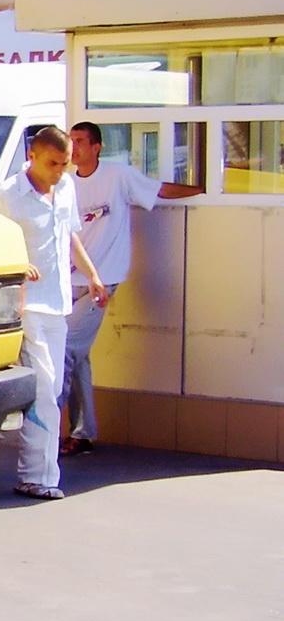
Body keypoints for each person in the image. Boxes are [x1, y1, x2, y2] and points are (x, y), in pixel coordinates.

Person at [58, 121, 203, 456]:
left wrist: (207, 190)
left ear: (97, 147)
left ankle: (45, 430)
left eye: (80, 141)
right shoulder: (64, 183)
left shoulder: (117, 175)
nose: (74, 147)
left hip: (102, 281)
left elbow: (159, 190)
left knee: (65, 349)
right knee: (78, 356)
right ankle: (83, 433)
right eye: (71, 141)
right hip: (67, 281)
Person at [0, 125, 108, 500]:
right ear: (32, 157)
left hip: (58, 304)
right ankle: (37, 476)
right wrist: (17, 264)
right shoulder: (7, 195)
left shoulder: (67, 188)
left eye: (65, 164)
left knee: (52, 388)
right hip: (26, 306)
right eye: (53, 163)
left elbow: (69, 236)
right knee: (43, 387)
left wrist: (92, 275)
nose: (60, 171)